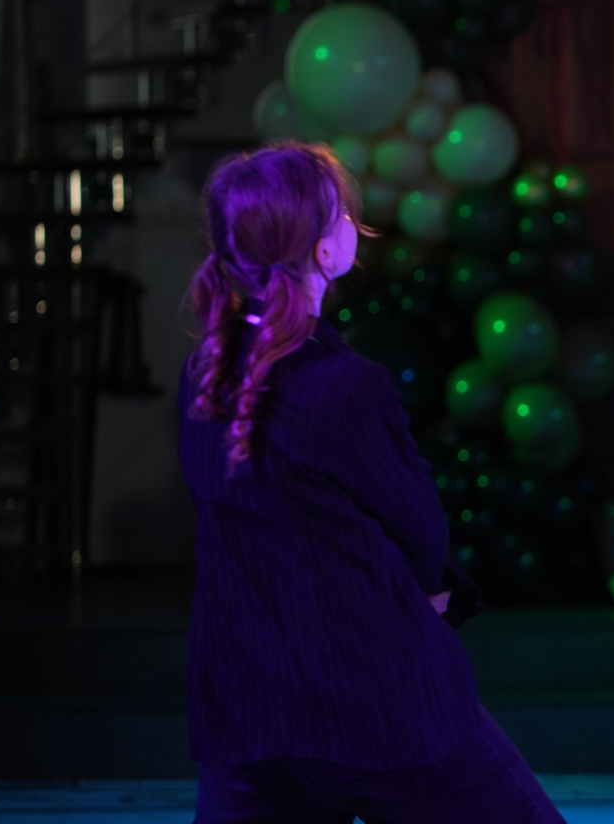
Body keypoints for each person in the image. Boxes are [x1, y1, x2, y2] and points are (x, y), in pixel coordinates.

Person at [178, 142, 562, 824]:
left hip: (248, 710)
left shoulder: (203, 374)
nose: (356, 224)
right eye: (344, 214)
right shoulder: (345, 387)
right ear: (325, 251)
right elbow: (420, 532)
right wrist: (427, 591)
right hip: (375, 709)